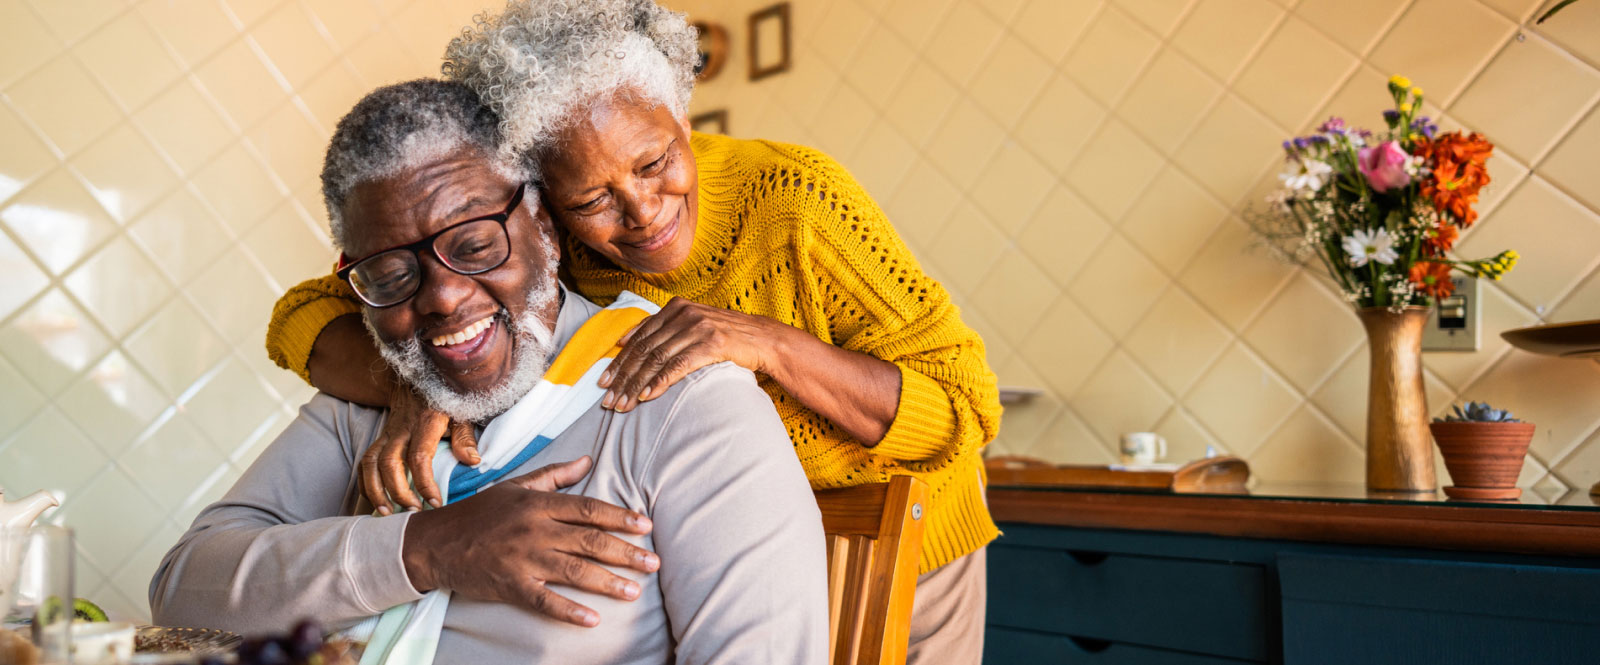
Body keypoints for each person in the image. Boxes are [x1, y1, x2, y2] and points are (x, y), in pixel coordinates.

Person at [265, 1, 1000, 660]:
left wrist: (767, 343)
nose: (644, 212)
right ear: (541, 207)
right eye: (592, 200)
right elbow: (304, 315)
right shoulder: (546, 245)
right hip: (730, 539)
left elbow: (965, 410)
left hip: (909, 546)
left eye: (655, 162)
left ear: (683, 119)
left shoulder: (798, 201)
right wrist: (420, 385)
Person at [152, 79, 828, 665]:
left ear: (544, 228)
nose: (443, 297)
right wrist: (428, 548)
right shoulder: (381, 399)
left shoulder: (687, 406)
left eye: (475, 244)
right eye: (390, 273)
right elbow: (183, 589)